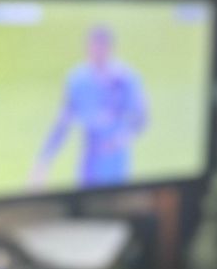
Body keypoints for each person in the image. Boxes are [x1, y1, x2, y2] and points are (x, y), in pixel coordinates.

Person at [29, 26, 148, 189]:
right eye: (93, 48)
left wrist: (121, 139)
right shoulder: (77, 80)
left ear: (110, 48)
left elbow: (141, 117)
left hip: (117, 164)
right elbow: (63, 123)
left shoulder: (126, 78)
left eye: (101, 48)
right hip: (89, 164)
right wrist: (44, 160)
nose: (97, 53)